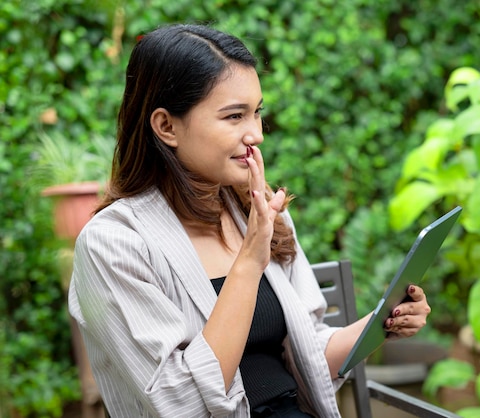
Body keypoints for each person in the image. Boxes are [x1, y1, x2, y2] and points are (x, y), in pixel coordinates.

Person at [68, 23, 431, 418]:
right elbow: (178, 404)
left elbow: (309, 360)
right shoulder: (114, 243)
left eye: (256, 112)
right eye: (234, 116)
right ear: (166, 126)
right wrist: (249, 263)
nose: (255, 134)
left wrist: (383, 323)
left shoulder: (257, 213)